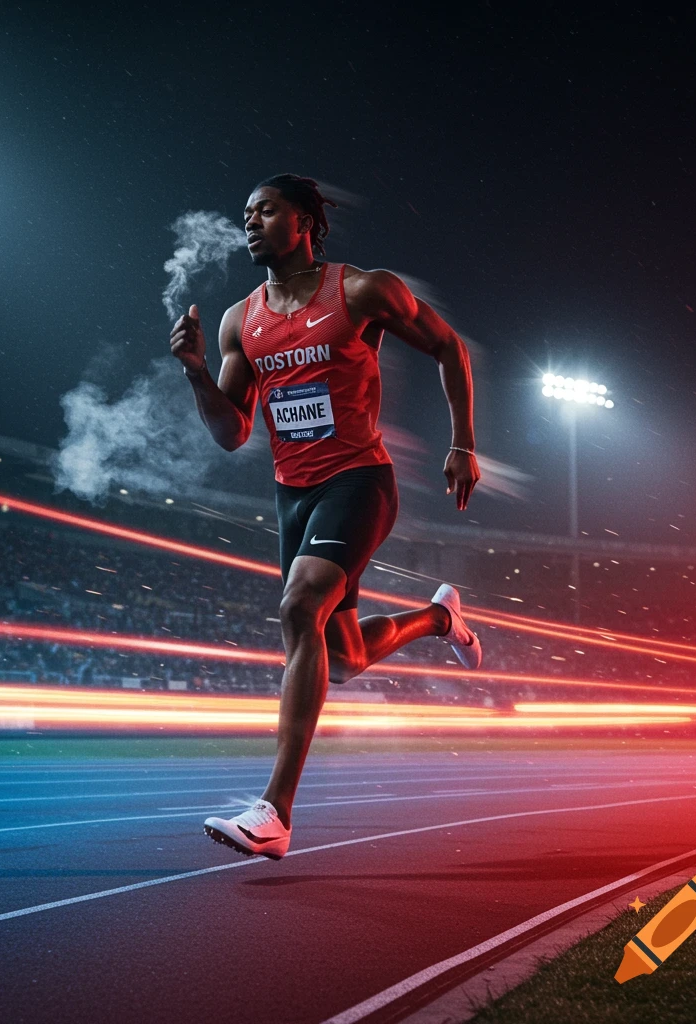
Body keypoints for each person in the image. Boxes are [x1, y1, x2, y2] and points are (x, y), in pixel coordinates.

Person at [169, 173, 482, 860]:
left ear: (306, 220)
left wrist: (462, 444)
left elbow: (449, 347)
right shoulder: (238, 321)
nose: (250, 222)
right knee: (343, 659)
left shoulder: (363, 289)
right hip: (294, 496)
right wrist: (196, 370)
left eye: (267, 210)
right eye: (245, 214)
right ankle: (439, 617)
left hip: (359, 481)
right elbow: (231, 432)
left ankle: (274, 811)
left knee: (298, 606)